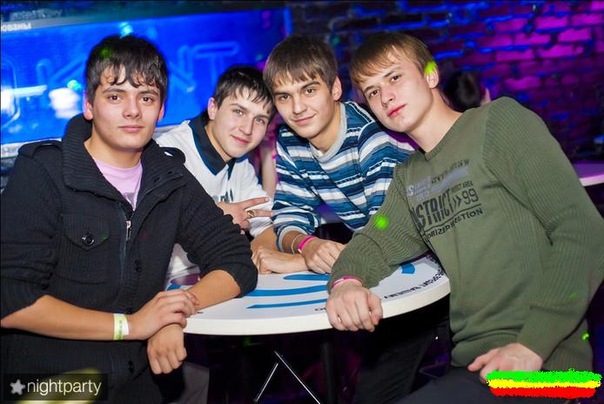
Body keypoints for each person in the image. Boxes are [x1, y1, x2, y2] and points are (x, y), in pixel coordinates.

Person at [325, 31, 604, 404]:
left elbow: (583, 230)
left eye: (394, 77)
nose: (385, 96)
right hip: (473, 370)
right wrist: (345, 282)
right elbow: (375, 242)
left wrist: (531, 346)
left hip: (551, 372)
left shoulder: (499, 122)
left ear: (430, 75)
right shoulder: (410, 177)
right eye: (372, 91)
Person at [0, 34, 257, 402]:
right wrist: (131, 326)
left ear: (161, 110)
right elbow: (11, 300)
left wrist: (172, 312)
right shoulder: (43, 172)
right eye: (115, 96)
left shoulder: (170, 177)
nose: (133, 111)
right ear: (89, 105)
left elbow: (235, 259)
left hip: (136, 377)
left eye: (146, 98)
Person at [259, 34, 447, 404]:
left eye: (308, 90)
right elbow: (290, 212)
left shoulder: (371, 137)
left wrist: (298, 262)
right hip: (380, 275)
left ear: (334, 88)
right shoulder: (291, 139)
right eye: (284, 97)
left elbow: (386, 232)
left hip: (434, 275)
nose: (297, 108)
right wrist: (305, 244)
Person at [154, 65, 305, 402]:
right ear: (213, 108)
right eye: (238, 111)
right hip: (158, 295)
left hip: (207, 293)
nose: (247, 128)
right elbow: (152, 219)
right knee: (195, 382)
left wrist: (265, 252)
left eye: (259, 119)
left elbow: (263, 224)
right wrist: (217, 214)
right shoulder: (171, 152)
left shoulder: (239, 165)